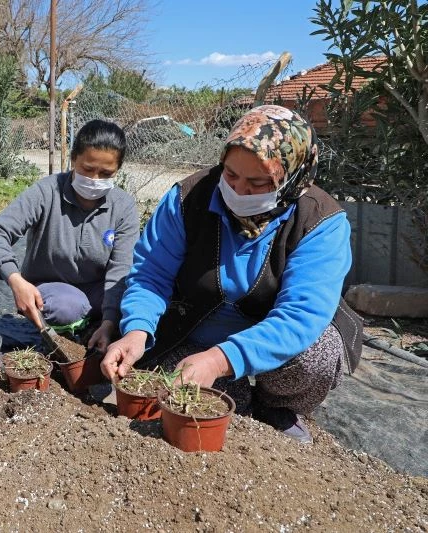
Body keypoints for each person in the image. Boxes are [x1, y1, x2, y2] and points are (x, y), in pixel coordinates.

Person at [101, 105, 362, 443]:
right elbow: (151, 274)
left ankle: (276, 406)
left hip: (272, 345)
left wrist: (221, 359)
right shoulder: (187, 198)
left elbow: (300, 316)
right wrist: (136, 330)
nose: (239, 192)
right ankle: (239, 396)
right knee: (204, 400)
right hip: (192, 332)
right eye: (231, 175)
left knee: (317, 355)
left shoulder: (319, 222)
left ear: (292, 178)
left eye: (258, 183)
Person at [0, 119, 140, 354]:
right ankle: (78, 325)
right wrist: (15, 280)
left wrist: (110, 322)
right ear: (74, 159)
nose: (94, 179)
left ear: (118, 170)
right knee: (68, 306)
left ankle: (97, 325)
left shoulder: (123, 206)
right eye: (87, 169)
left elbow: (121, 269)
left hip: (99, 293)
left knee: (136, 299)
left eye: (106, 173)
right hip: (52, 293)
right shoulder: (47, 191)